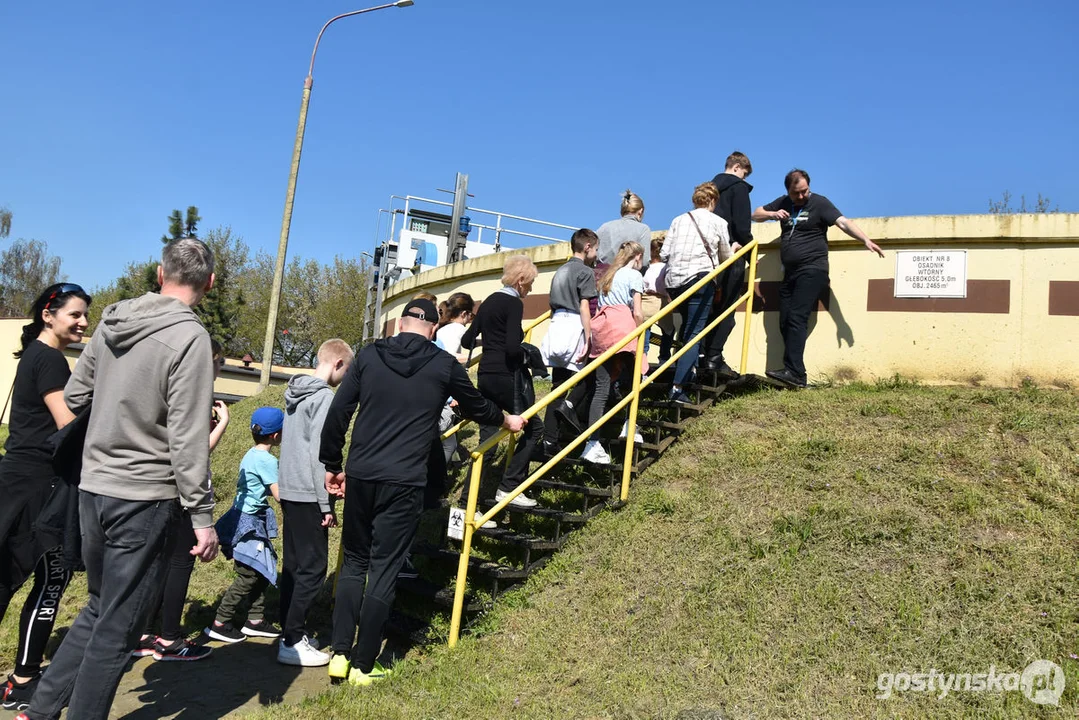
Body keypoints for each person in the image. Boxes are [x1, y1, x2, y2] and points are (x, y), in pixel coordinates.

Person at [22, 238, 218, 720]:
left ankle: (40, 709)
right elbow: (187, 435)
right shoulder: (190, 339)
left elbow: (74, 398)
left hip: (93, 489)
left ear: (159, 273)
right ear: (209, 283)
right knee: (118, 627)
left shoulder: (110, 322)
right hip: (143, 495)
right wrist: (203, 515)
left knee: (99, 607)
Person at [319, 298, 525, 686]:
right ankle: (365, 665)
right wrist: (506, 419)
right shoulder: (443, 363)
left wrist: (332, 465)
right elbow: (477, 405)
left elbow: (339, 412)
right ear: (432, 329)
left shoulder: (368, 356)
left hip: (362, 475)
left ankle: (340, 655)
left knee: (354, 563)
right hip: (405, 480)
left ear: (399, 325)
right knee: (384, 568)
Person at [0, 283, 91, 712]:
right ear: (48, 314)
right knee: (51, 580)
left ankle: (22, 675)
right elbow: (66, 426)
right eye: (75, 314)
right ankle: (23, 680)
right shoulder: (51, 359)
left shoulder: (34, 356)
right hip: (43, 488)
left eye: (85, 315)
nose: (83, 322)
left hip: (17, 481)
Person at [132, 341, 230, 663]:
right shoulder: (197, 391)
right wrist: (223, 424)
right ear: (211, 362)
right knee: (179, 564)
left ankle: (144, 634)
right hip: (186, 494)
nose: (219, 370)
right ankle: (170, 639)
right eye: (220, 364)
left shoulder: (170, 385)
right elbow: (197, 454)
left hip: (159, 489)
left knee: (159, 564)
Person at [753, 169, 884, 388]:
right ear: (788, 191)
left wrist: (865, 240)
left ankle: (795, 373)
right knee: (784, 320)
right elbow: (755, 214)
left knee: (796, 317)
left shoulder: (820, 203)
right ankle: (792, 373)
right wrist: (772, 214)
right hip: (790, 272)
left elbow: (843, 222)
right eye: (797, 193)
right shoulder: (783, 202)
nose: (802, 196)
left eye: (805, 191)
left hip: (813, 269)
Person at [277, 340, 354, 666]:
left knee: (294, 566)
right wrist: (326, 505)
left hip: (290, 490)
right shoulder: (323, 398)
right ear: (337, 363)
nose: (345, 377)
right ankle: (293, 641)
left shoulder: (294, 393)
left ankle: (288, 631)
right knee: (313, 569)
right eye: (347, 370)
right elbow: (319, 456)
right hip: (310, 493)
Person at [460, 255, 542, 509]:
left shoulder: (488, 302)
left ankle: (465, 503)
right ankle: (509, 487)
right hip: (505, 376)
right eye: (529, 284)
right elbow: (510, 348)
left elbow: (467, 340)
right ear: (520, 281)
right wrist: (528, 353)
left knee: (488, 441)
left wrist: (490, 343)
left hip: (485, 375)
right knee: (534, 427)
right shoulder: (513, 303)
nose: (530, 289)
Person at [206, 407, 284, 644]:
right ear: (276, 435)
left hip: (241, 517)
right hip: (248, 524)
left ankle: (255, 620)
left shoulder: (251, 454)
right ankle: (220, 622)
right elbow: (280, 495)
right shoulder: (267, 460)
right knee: (248, 575)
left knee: (258, 569)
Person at [660, 183, 733, 403]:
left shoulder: (678, 220)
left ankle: (687, 370)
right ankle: (678, 388)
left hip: (674, 281)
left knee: (687, 327)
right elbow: (726, 257)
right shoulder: (719, 222)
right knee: (694, 334)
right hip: (700, 280)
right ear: (713, 201)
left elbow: (664, 253)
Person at [582, 242, 645, 464]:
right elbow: (637, 311)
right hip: (623, 329)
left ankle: (592, 443)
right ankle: (630, 425)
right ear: (637, 257)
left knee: (601, 388)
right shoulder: (633, 275)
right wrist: (641, 331)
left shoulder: (608, 275)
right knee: (636, 379)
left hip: (603, 330)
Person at [540, 229, 598, 456]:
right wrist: (589, 334)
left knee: (558, 386)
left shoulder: (560, 270)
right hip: (574, 325)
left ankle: (549, 439)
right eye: (595, 249)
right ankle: (571, 406)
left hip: (556, 325)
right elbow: (585, 306)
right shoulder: (585, 272)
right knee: (589, 375)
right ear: (587, 247)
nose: (596, 254)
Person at [703, 151, 754, 379]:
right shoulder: (739, 188)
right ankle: (714, 358)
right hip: (730, 256)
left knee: (707, 309)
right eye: (744, 174)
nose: (744, 179)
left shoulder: (708, 190)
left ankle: (701, 356)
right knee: (727, 310)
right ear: (736, 167)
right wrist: (750, 250)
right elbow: (742, 227)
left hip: (705, 260)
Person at [641, 237, 674, 365]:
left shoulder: (647, 268)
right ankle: (664, 357)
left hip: (646, 299)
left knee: (644, 331)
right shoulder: (666, 268)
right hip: (661, 301)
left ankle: (642, 359)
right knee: (668, 330)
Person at [596, 190, 652, 265]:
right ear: (640, 211)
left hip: (601, 274)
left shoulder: (604, 227)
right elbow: (644, 262)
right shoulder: (643, 229)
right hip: (628, 275)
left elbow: (594, 256)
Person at [435, 292, 474, 364]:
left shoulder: (444, 328)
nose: (469, 320)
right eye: (471, 316)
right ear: (464, 314)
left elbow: (470, 341)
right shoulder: (458, 328)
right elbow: (449, 356)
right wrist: (481, 357)